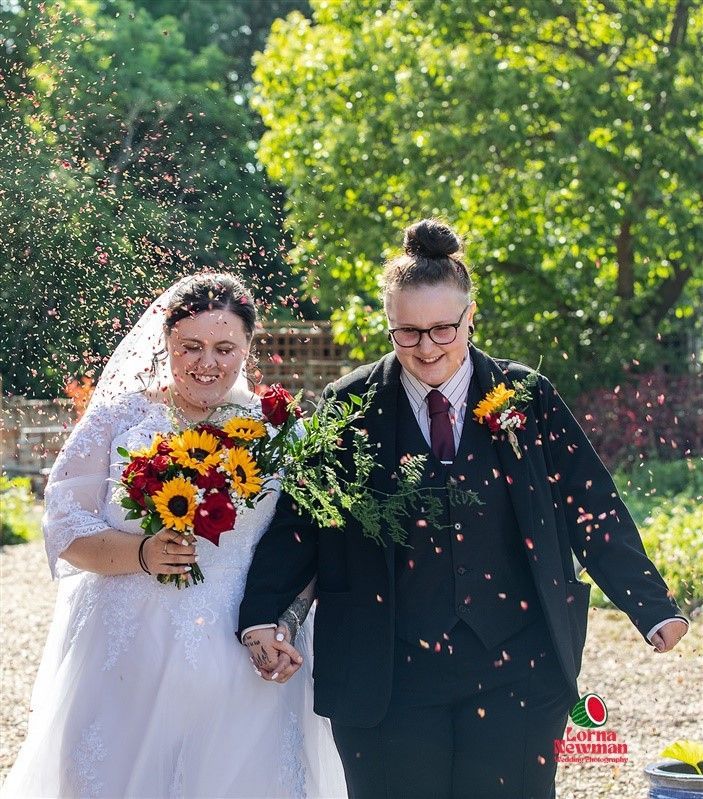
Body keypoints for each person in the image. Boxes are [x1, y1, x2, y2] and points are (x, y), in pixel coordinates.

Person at [238, 220, 689, 799]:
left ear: (471, 316)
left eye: (443, 329)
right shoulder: (348, 404)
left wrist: (651, 605)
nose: (426, 348)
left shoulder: (527, 396)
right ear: (389, 324)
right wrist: (263, 614)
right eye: (408, 333)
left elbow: (589, 503)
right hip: (387, 670)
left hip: (518, 662)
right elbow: (302, 517)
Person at [1, 273, 347, 798]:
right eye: (191, 346)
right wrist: (140, 552)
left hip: (245, 643)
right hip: (130, 647)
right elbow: (65, 523)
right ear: (167, 343)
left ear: (248, 348)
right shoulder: (120, 419)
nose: (207, 363)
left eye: (225, 347)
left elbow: (308, 540)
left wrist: (286, 623)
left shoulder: (279, 432)